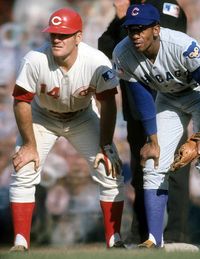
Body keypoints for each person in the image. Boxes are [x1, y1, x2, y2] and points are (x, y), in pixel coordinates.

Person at [9, 7, 125, 252]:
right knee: (24, 168)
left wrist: (106, 145)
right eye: (53, 34)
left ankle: (114, 241)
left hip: (82, 117)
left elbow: (108, 104)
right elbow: (21, 102)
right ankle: (20, 243)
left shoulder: (96, 62)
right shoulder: (34, 59)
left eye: (64, 34)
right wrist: (29, 145)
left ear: (78, 37)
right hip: (43, 117)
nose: (57, 39)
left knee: (110, 170)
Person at [98, 0, 190, 244]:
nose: (134, 33)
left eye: (139, 28)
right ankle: (149, 236)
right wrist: (119, 20)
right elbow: (105, 47)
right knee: (146, 166)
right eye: (131, 29)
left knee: (181, 163)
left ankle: (178, 234)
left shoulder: (168, 10)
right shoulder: (127, 19)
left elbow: (163, 46)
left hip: (183, 97)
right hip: (151, 102)